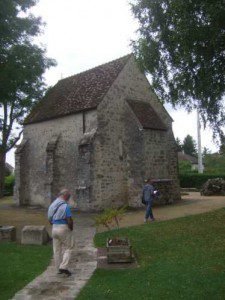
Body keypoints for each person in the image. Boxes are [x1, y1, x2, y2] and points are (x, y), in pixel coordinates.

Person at [48, 189, 74, 276]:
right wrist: (71, 228)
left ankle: (58, 269)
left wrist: (54, 224)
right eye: (68, 196)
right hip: (63, 227)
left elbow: (49, 218)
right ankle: (63, 267)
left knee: (56, 250)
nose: (68, 198)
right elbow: (69, 220)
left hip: (54, 228)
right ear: (65, 196)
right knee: (69, 247)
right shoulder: (65, 206)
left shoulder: (52, 204)